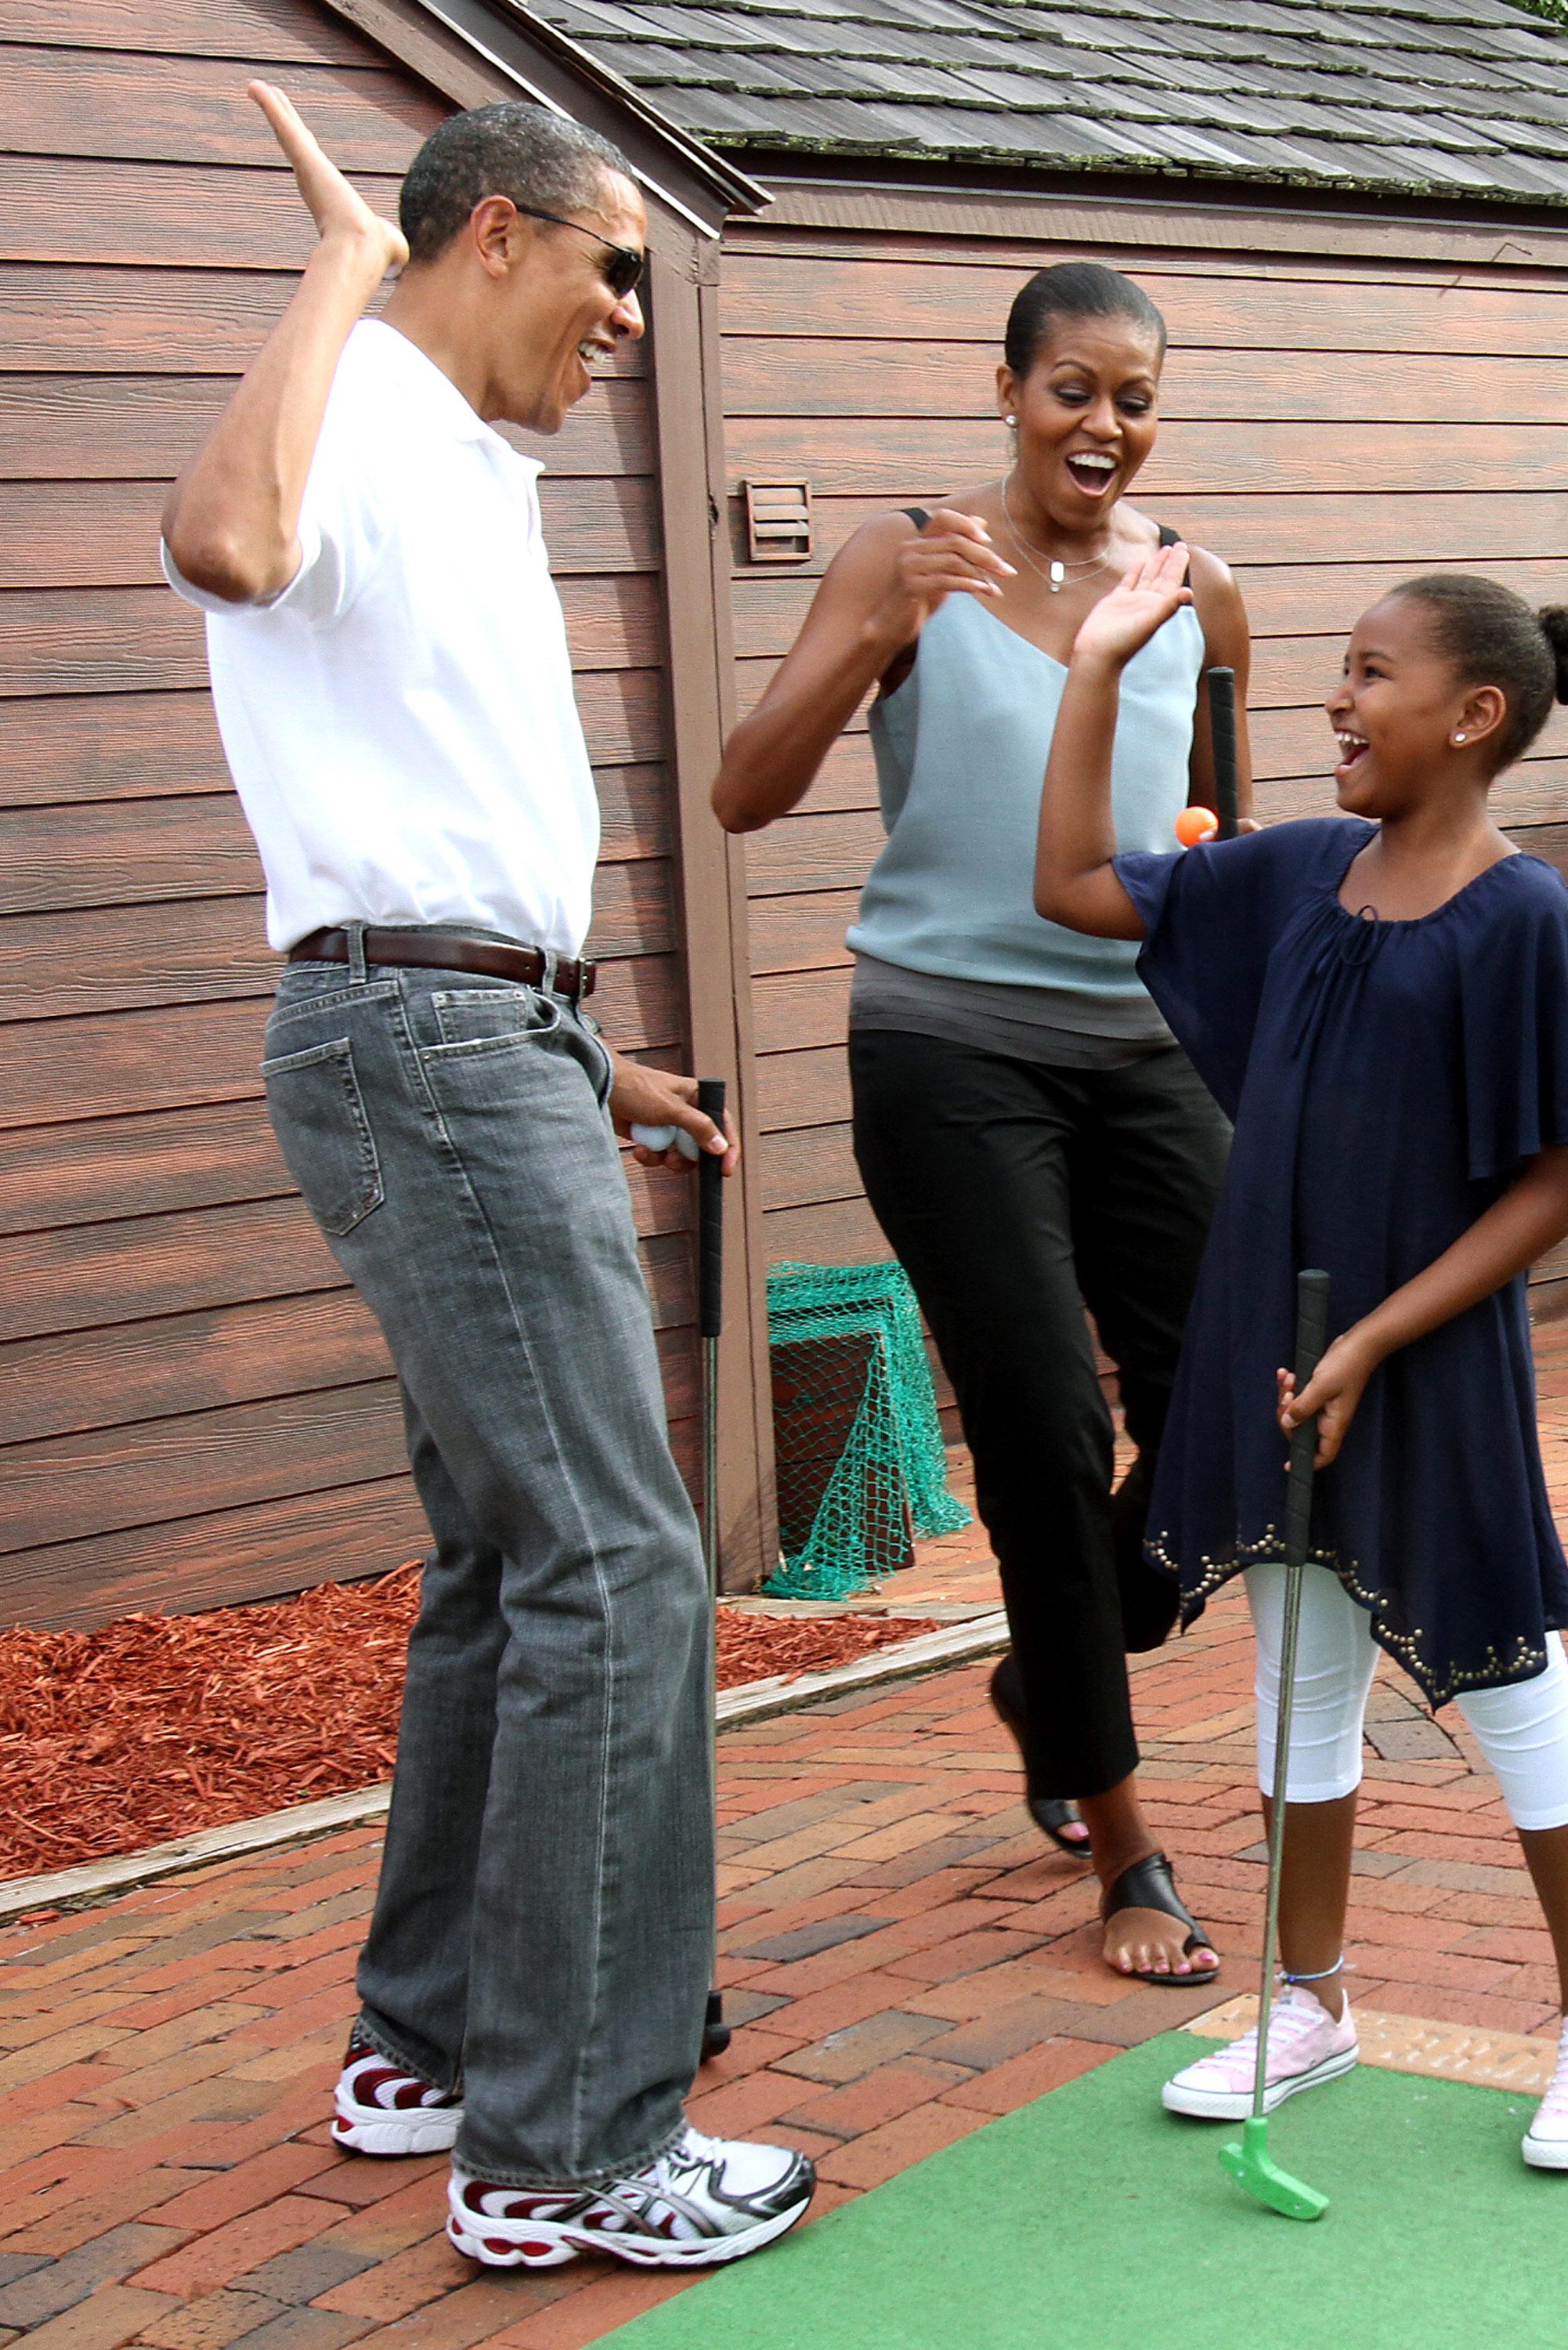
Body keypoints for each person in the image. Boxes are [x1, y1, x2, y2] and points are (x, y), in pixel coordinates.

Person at [160, 88, 814, 2266]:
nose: (634, 309)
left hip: (478, 1031)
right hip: (428, 1045)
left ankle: (431, 2042)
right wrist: (343, 264)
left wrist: (573, 1042)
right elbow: (224, 550)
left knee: (504, 1561)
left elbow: (415, 792)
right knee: (623, 1570)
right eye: (615, 263)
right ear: (500, 236)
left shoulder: (461, 462)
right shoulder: (348, 407)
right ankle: (574, 2147)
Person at [1035, 554, 1568, 2171]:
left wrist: (1381, 1333)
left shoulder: (1519, 913)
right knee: (1295, 1686)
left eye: (1372, 674)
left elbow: (1557, 1178)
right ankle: (1307, 2005)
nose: (1336, 697)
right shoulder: (1307, 869)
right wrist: (1098, 667)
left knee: (1511, 1682)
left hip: (1424, 1364)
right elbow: (1069, 890)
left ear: (1471, 714)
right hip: (1276, 1352)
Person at [713, 263, 1248, 1985]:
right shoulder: (905, 559)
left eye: (1134, 399)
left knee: (1239, 1423)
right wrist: (876, 635)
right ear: (1007, 387)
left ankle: (1050, 1664)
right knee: (1034, 1428)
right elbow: (745, 789)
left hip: (1144, 1051)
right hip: (947, 1051)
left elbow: (1216, 844)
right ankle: (1126, 1846)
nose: (1103, 426)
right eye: (1071, 390)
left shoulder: (1199, 594)